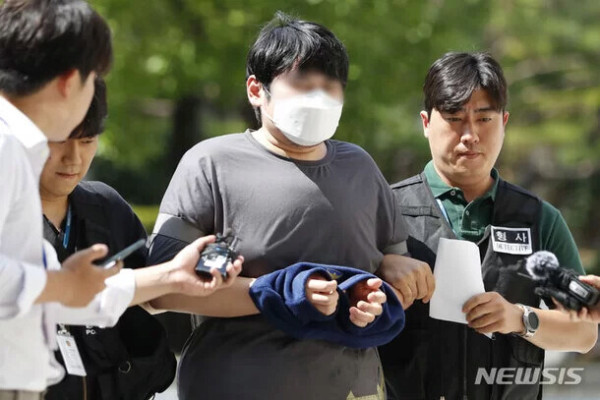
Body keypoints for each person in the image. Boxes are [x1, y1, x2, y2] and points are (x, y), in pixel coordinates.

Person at [147, 11, 422, 400]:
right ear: (256, 90)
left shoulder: (360, 167)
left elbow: (391, 273)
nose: (319, 96)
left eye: (330, 85)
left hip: (354, 388)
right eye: (302, 83)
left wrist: (377, 292)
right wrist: (279, 293)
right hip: (236, 386)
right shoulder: (211, 164)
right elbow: (162, 290)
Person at [0, 1, 241, 398]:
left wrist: (171, 276)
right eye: (94, 79)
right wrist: (61, 285)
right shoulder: (8, 147)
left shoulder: (20, 152)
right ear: (70, 80)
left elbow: (48, 298)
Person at [379, 51, 598, 400]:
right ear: (426, 122)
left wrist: (519, 318)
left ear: (504, 122)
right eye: (454, 118)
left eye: (484, 119)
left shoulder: (539, 219)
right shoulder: (384, 211)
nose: (470, 135)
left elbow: (584, 334)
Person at [41, 78, 176, 400]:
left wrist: (180, 274)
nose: (74, 158)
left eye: (87, 140)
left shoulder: (106, 206)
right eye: (58, 140)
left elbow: (147, 298)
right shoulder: (10, 215)